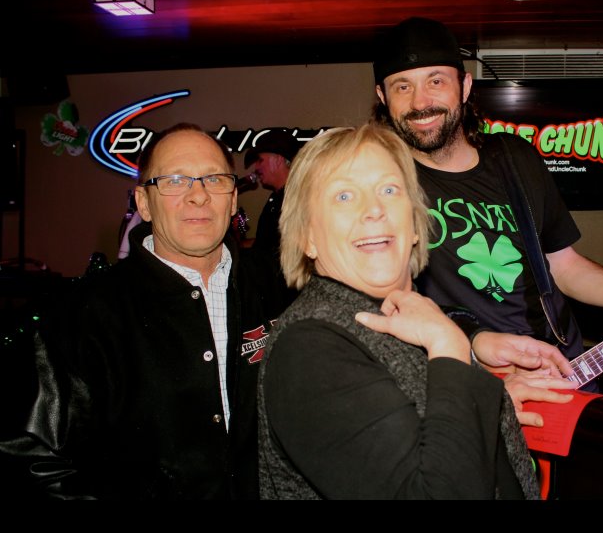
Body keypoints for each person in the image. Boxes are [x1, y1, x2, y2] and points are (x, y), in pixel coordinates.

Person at [371, 17, 603, 403]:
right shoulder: (378, 183)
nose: (420, 102)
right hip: (467, 386)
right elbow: (383, 306)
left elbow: (563, 267)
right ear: (383, 96)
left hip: (562, 370)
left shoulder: (514, 158)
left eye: (436, 81)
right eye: (403, 86)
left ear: (464, 86)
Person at [258, 123, 554, 499]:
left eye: (388, 190)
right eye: (344, 196)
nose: (374, 210)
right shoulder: (309, 349)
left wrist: (492, 393)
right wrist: (450, 346)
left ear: (415, 222)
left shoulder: (406, 318)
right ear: (308, 238)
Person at [6, 123, 289, 499]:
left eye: (214, 179)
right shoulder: (84, 315)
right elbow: (33, 458)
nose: (198, 196)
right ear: (143, 203)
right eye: (175, 181)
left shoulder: (278, 288)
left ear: (234, 198)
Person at [243, 130, 302, 258]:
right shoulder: (276, 197)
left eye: (260, 160)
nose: (256, 168)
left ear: (278, 160)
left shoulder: (298, 199)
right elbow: (267, 243)